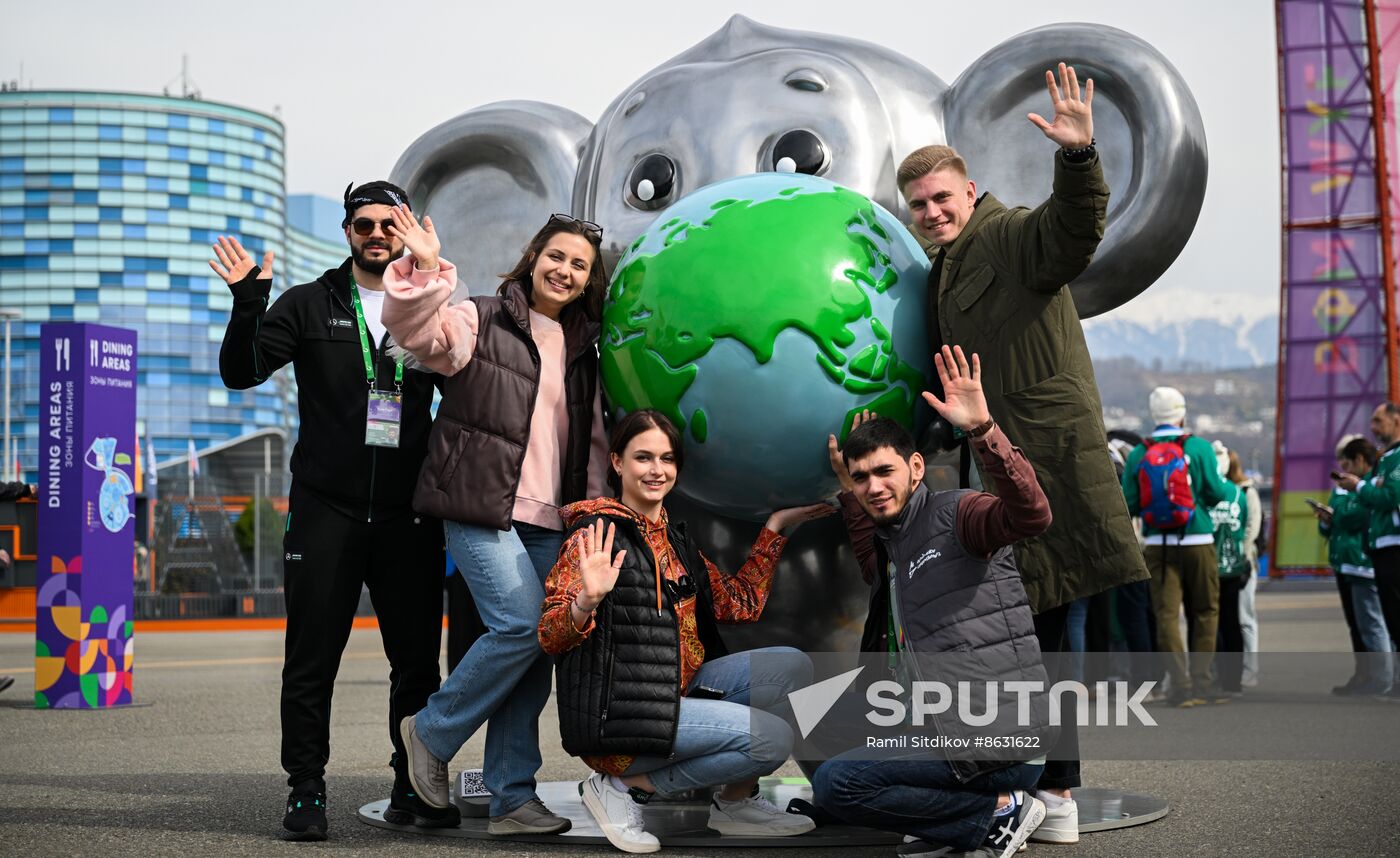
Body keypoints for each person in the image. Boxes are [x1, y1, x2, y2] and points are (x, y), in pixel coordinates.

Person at [896, 63, 1148, 842]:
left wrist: (1076, 156)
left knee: (1045, 627)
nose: (933, 212)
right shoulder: (946, 269)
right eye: (919, 206)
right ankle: (1048, 789)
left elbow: (1070, 233)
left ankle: (1057, 794)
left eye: (943, 198)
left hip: (1047, 462)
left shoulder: (1002, 236)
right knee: (1028, 629)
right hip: (1001, 463)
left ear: (969, 193)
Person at [213, 181, 450, 840]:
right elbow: (242, 372)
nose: (375, 234)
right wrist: (246, 304)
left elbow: (467, 379)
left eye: (387, 224)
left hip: (408, 514)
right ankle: (306, 789)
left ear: (404, 231)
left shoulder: (427, 304)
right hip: (326, 510)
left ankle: (413, 782)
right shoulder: (309, 304)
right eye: (363, 224)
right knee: (312, 658)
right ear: (348, 231)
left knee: (417, 664)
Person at [385, 207, 611, 834]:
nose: (564, 270)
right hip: (480, 504)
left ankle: (512, 797)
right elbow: (420, 337)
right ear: (534, 257)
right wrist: (429, 268)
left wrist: (590, 517)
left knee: (539, 647)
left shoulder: (585, 348)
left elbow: (591, 443)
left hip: (552, 519)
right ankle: (430, 732)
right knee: (519, 626)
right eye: (557, 256)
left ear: (590, 280)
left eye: (580, 265)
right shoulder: (481, 317)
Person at [538, 408, 830, 853]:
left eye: (667, 459)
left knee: (792, 667)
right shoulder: (596, 536)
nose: (657, 470)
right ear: (617, 462)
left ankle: (735, 802)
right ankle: (626, 788)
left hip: (676, 696)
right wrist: (586, 602)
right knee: (772, 739)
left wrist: (775, 528)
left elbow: (739, 603)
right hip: (620, 718)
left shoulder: (674, 542)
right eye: (643, 458)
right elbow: (549, 636)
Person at [815, 345, 1052, 858]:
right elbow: (871, 555)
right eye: (861, 479)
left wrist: (984, 430)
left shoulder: (960, 514)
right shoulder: (893, 544)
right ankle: (975, 814)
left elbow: (1031, 515)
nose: (874, 487)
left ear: (916, 467)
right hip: (941, 727)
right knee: (808, 716)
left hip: (997, 735)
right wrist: (848, 494)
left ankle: (992, 815)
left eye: (885, 472)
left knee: (839, 784)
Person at [1120, 386, 1234, 708]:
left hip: (1158, 543)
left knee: (1166, 615)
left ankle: (1179, 686)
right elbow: (1217, 494)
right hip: (1197, 538)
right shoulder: (1198, 447)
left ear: (1154, 415)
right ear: (1182, 413)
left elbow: (1129, 502)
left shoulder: (1139, 454)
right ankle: (1202, 683)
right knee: (1205, 610)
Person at [1333, 402, 1400, 701]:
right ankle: (1391, 681)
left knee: (1383, 621)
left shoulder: (1396, 458)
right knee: (1385, 619)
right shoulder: (1388, 459)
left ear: (1396, 421)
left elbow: (1388, 496)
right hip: (1380, 547)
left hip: (1392, 548)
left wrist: (1360, 487)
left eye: (1378, 420)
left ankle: (1386, 680)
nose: (1373, 427)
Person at [1209, 442, 1250, 698]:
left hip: (1210, 567)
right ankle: (1234, 680)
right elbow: (1243, 526)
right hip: (1233, 565)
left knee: (1209, 623)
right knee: (1232, 622)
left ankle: (1215, 675)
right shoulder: (1238, 494)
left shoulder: (1204, 493)